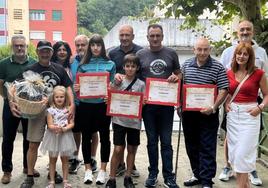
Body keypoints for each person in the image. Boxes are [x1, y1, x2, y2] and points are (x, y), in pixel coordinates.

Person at [117, 24, 180, 188]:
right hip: (147, 106)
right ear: (147, 37)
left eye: (158, 35)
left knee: (166, 142)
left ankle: (169, 176)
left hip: (166, 105)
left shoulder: (171, 53)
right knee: (152, 141)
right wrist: (117, 79)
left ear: (162, 36)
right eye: (152, 36)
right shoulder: (140, 54)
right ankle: (153, 174)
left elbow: (179, 73)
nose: (155, 38)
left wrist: (176, 77)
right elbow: (132, 76)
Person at [17, 40, 74, 188]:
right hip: (37, 111)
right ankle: (29, 175)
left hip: (57, 112)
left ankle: (52, 173)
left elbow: (68, 88)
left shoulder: (59, 69)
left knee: (56, 144)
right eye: (42, 50)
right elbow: (18, 89)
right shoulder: (30, 69)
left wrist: (72, 105)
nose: (45, 53)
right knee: (33, 143)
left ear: (51, 53)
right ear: (37, 52)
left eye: (48, 50)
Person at [219, 20, 268, 186]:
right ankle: (233, 172)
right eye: (239, 54)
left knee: (243, 153)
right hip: (233, 112)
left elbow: (267, 91)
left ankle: (245, 179)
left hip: (251, 110)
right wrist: (225, 102)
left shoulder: (260, 65)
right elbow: (224, 86)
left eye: (245, 54)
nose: (241, 56)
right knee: (235, 152)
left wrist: (260, 107)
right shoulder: (228, 63)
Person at [181, 38, 229, 188]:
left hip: (208, 113)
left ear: (210, 50)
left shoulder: (218, 67)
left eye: (205, 49)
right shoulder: (186, 65)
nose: (202, 53)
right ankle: (197, 174)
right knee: (191, 145)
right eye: (199, 49)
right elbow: (180, 86)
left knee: (207, 146)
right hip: (189, 114)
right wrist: (179, 106)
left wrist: (214, 107)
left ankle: (207, 180)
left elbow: (224, 90)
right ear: (194, 50)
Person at [74, 34, 116, 185]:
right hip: (85, 106)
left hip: (103, 106)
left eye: (98, 45)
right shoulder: (83, 65)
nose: (95, 47)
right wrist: (77, 88)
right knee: (86, 137)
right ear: (89, 47)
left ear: (102, 46)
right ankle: (87, 170)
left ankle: (103, 171)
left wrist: (111, 92)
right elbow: (77, 87)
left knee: (105, 137)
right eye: (93, 45)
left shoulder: (110, 64)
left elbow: (113, 86)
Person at [0, 35, 38, 184]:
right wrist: (8, 99)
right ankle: (7, 171)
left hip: (29, 107)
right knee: (8, 138)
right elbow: (1, 84)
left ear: (26, 47)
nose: (20, 48)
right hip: (10, 107)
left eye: (22, 45)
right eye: (16, 46)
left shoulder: (34, 63)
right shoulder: (3, 64)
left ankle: (27, 167)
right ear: (12, 47)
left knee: (29, 139)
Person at [105, 54, 145, 188]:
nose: (130, 69)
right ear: (123, 67)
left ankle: (128, 177)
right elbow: (110, 93)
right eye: (127, 66)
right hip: (119, 121)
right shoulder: (118, 80)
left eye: (133, 66)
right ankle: (111, 178)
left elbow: (143, 102)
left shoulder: (141, 84)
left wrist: (143, 102)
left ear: (137, 68)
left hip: (134, 122)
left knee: (132, 149)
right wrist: (113, 87)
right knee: (117, 149)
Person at [108, 24, 143, 177]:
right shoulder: (113, 52)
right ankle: (115, 171)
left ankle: (128, 169)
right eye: (121, 35)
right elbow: (110, 82)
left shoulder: (141, 51)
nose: (124, 38)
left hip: (134, 115)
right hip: (119, 113)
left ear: (132, 36)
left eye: (127, 35)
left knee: (132, 147)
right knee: (118, 146)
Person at [69, 35, 99, 174]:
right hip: (76, 103)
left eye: (83, 44)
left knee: (93, 132)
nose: (80, 47)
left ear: (89, 45)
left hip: (92, 103)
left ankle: (92, 159)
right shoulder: (71, 62)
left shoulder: (95, 61)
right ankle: (75, 158)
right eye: (78, 45)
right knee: (76, 132)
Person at [40, 86, 76, 188]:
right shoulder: (50, 111)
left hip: (65, 136)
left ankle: (65, 181)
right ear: (53, 98)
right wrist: (54, 128)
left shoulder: (68, 110)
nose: (59, 99)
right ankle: (52, 181)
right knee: (52, 159)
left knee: (65, 159)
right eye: (57, 97)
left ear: (65, 98)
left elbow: (72, 123)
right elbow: (50, 124)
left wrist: (65, 128)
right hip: (53, 136)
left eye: (62, 97)